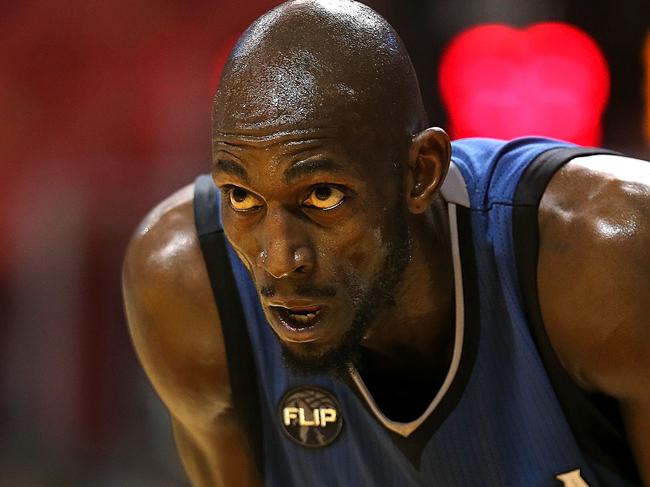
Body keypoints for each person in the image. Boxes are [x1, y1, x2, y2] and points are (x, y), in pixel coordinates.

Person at [121, 1, 650, 485]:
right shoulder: (187, 285)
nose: (280, 259)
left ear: (421, 173)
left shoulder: (608, 254)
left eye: (323, 195)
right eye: (241, 196)